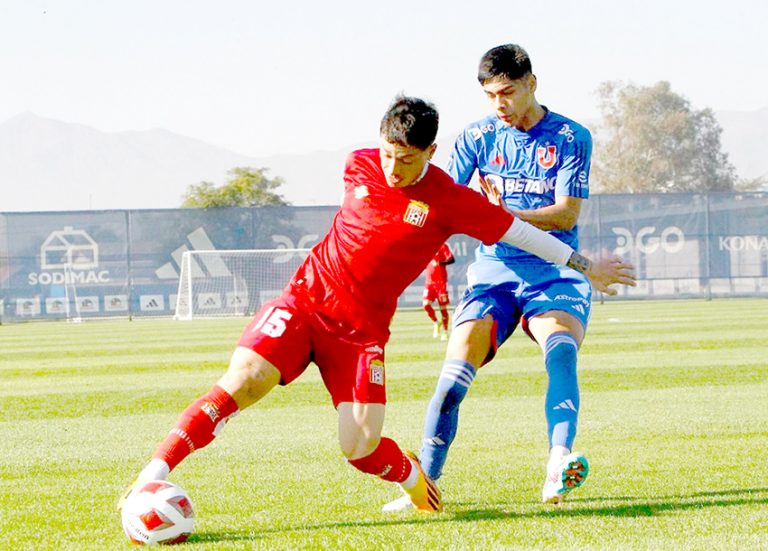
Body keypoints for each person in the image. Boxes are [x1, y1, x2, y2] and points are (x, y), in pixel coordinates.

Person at [119, 95, 633, 517]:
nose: (392, 167)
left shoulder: (453, 201)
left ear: (431, 151)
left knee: (360, 447)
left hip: (361, 334)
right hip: (305, 303)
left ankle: (415, 480)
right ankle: (151, 477)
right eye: (388, 153)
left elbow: (524, 233)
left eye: (407, 159)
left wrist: (587, 268)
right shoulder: (357, 163)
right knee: (245, 379)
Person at [384, 44, 636, 513]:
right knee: (455, 370)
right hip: (494, 271)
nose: (499, 103)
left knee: (560, 349)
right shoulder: (476, 137)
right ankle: (425, 486)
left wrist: (501, 216)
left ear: (531, 84)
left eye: (508, 92)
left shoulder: (570, 136)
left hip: (554, 269)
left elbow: (565, 215)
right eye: (489, 95)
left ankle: (558, 463)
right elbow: (444, 198)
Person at [423, 242, 455, 340]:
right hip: (429, 282)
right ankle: (436, 322)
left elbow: (451, 259)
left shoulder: (443, 246)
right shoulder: (426, 246)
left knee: (443, 308)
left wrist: (440, 263)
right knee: (426, 305)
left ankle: (445, 331)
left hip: (441, 283)